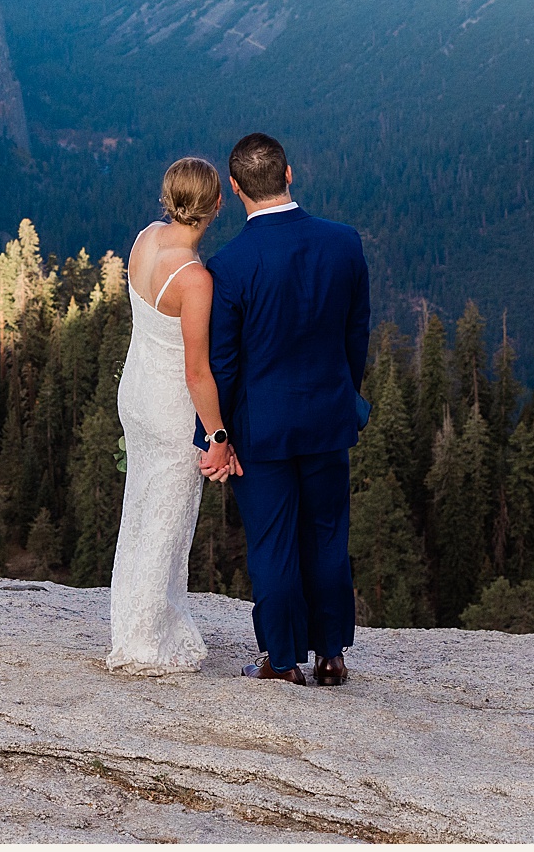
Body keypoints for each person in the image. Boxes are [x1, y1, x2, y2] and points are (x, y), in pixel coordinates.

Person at [195, 132, 369, 687]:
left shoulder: (231, 265)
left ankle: (280, 660)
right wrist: (343, 397)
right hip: (327, 419)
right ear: (289, 174)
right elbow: (355, 338)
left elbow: (221, 363)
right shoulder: (343, 243)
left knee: (273, 543)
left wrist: (216, 436)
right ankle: (332, 655)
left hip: (258, 431)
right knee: (326, 536)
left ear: (235, 187)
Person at [106, 156, 231, 673]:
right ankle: (144, 642)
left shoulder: (145, 239)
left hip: (134, 392)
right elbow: (198, 372)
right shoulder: (195, 280)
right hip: (170, 407)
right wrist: (218, 435)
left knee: (139, 508)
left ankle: (132, 624)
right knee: (166, 518)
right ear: (217, 206)